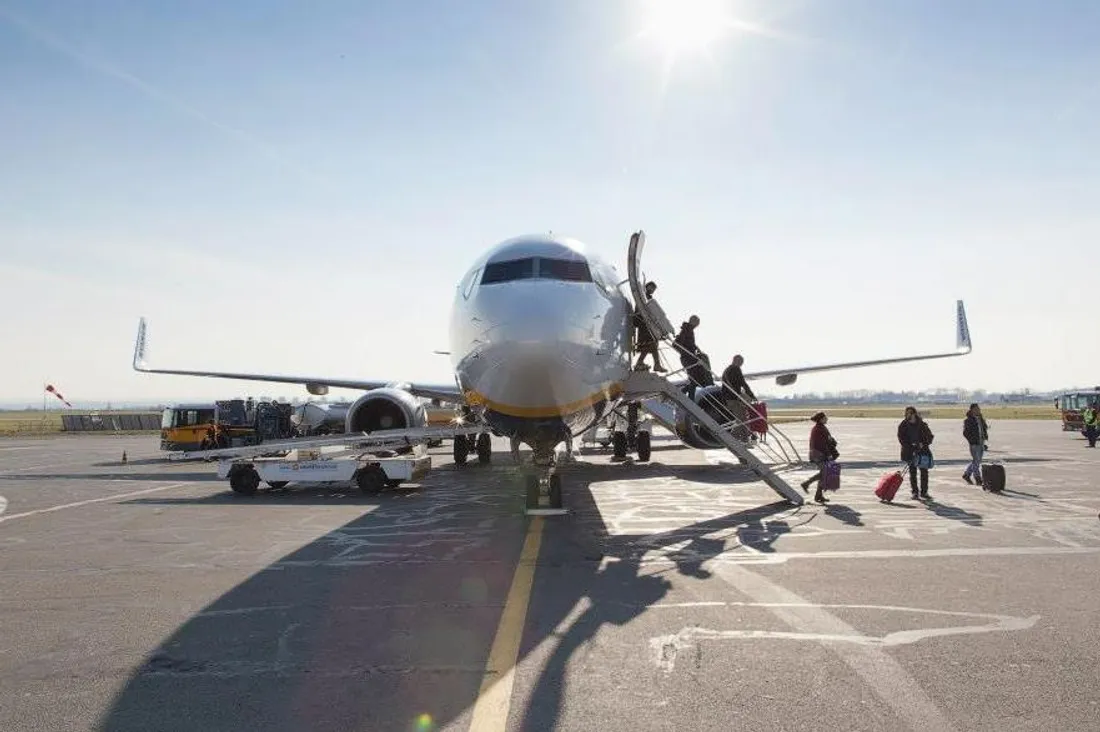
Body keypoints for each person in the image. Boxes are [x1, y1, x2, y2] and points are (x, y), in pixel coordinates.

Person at [897, 406, 934, 500]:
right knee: (912, 472)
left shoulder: (921, 424)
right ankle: (915, 492)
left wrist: (923, 443)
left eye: (910, 413)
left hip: (922, 451)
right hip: (910, 452)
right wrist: (911, 446)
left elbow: (930, 436)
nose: (908, 415)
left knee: (924, 472)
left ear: (914, 414)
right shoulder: (903, 425)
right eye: (907, 413)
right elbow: (901, 438)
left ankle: (924, 492)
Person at [800, 411, 836, 504]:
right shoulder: (819, 429)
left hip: (817, 453)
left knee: (824, 473)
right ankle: (807, 484)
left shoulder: (819, 427)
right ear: (821, 419)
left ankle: (818, 495)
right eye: (825, 418)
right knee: (824, 473)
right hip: (819, 454)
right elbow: (822, 444)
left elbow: (827, 441)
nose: (827, 419)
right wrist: (829, 455)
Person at [673, 315, 711, 397]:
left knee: (696, 380)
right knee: (694, 380)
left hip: (689, 358)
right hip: (687, 358)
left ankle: (682, 394)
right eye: (697, 322)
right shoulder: (687, 330)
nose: (698, 325)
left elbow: (688, 343)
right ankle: (686, 397)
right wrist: (686, 351)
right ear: (693, 321)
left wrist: (695, 348)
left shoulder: (688, 330)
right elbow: (678, 344)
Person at [632, 281, 666, 372]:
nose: (652, 290)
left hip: (647, 325)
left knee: (652, 345)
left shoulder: (646, 297)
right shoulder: (643, 297)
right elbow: (642, 311)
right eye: (651, 288)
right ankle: (646, 363)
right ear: (647, 287)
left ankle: (653, 364)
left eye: (653, 289)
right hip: (644, 324)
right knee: (650, 344)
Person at [721, 355, 756, 440]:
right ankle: (732, 438)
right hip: (734, 399)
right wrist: (751, 395)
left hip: (728, 398)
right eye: (741, 362)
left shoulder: (726, 370)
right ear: (736, 361)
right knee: (741, 420)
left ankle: (744, 438)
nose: (741, 364)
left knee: (742, 418)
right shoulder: (736, 369)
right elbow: (743, 383)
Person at [962, 403, 989, 485]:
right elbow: (965, 433)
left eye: (979, 409)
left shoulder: (980, 419)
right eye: (977, 409)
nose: (979, 410)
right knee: (976, 461)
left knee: (977, 461)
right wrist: (971, 441)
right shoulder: (968, 420)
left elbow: (984, 429)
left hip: (981, 442)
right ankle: (978, 478)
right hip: (974, 444)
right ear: (972, 410)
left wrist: (985, 437)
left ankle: (966, 474)